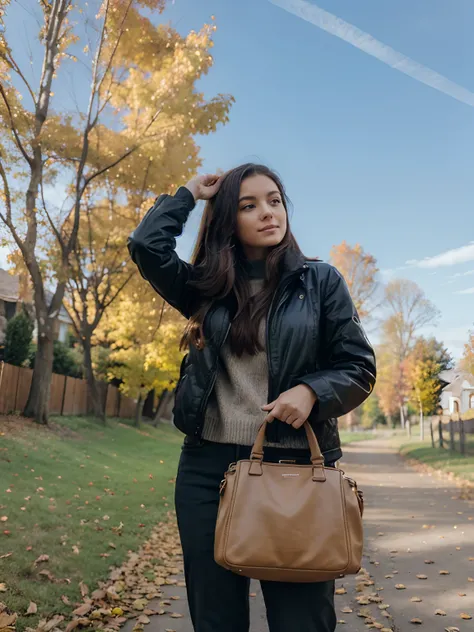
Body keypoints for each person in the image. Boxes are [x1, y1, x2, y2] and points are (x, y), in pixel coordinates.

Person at [128, 163, 376, 632]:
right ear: (228, 220)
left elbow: (359, 367)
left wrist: (311, 392)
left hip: (296, 471)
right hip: (207, 473)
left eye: (274, 200)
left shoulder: (321, 283)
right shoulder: (205, 288)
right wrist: (188, 193)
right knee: (216, 619)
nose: (268, 212)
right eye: (248, 205)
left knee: (302, 620)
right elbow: (146, 246)